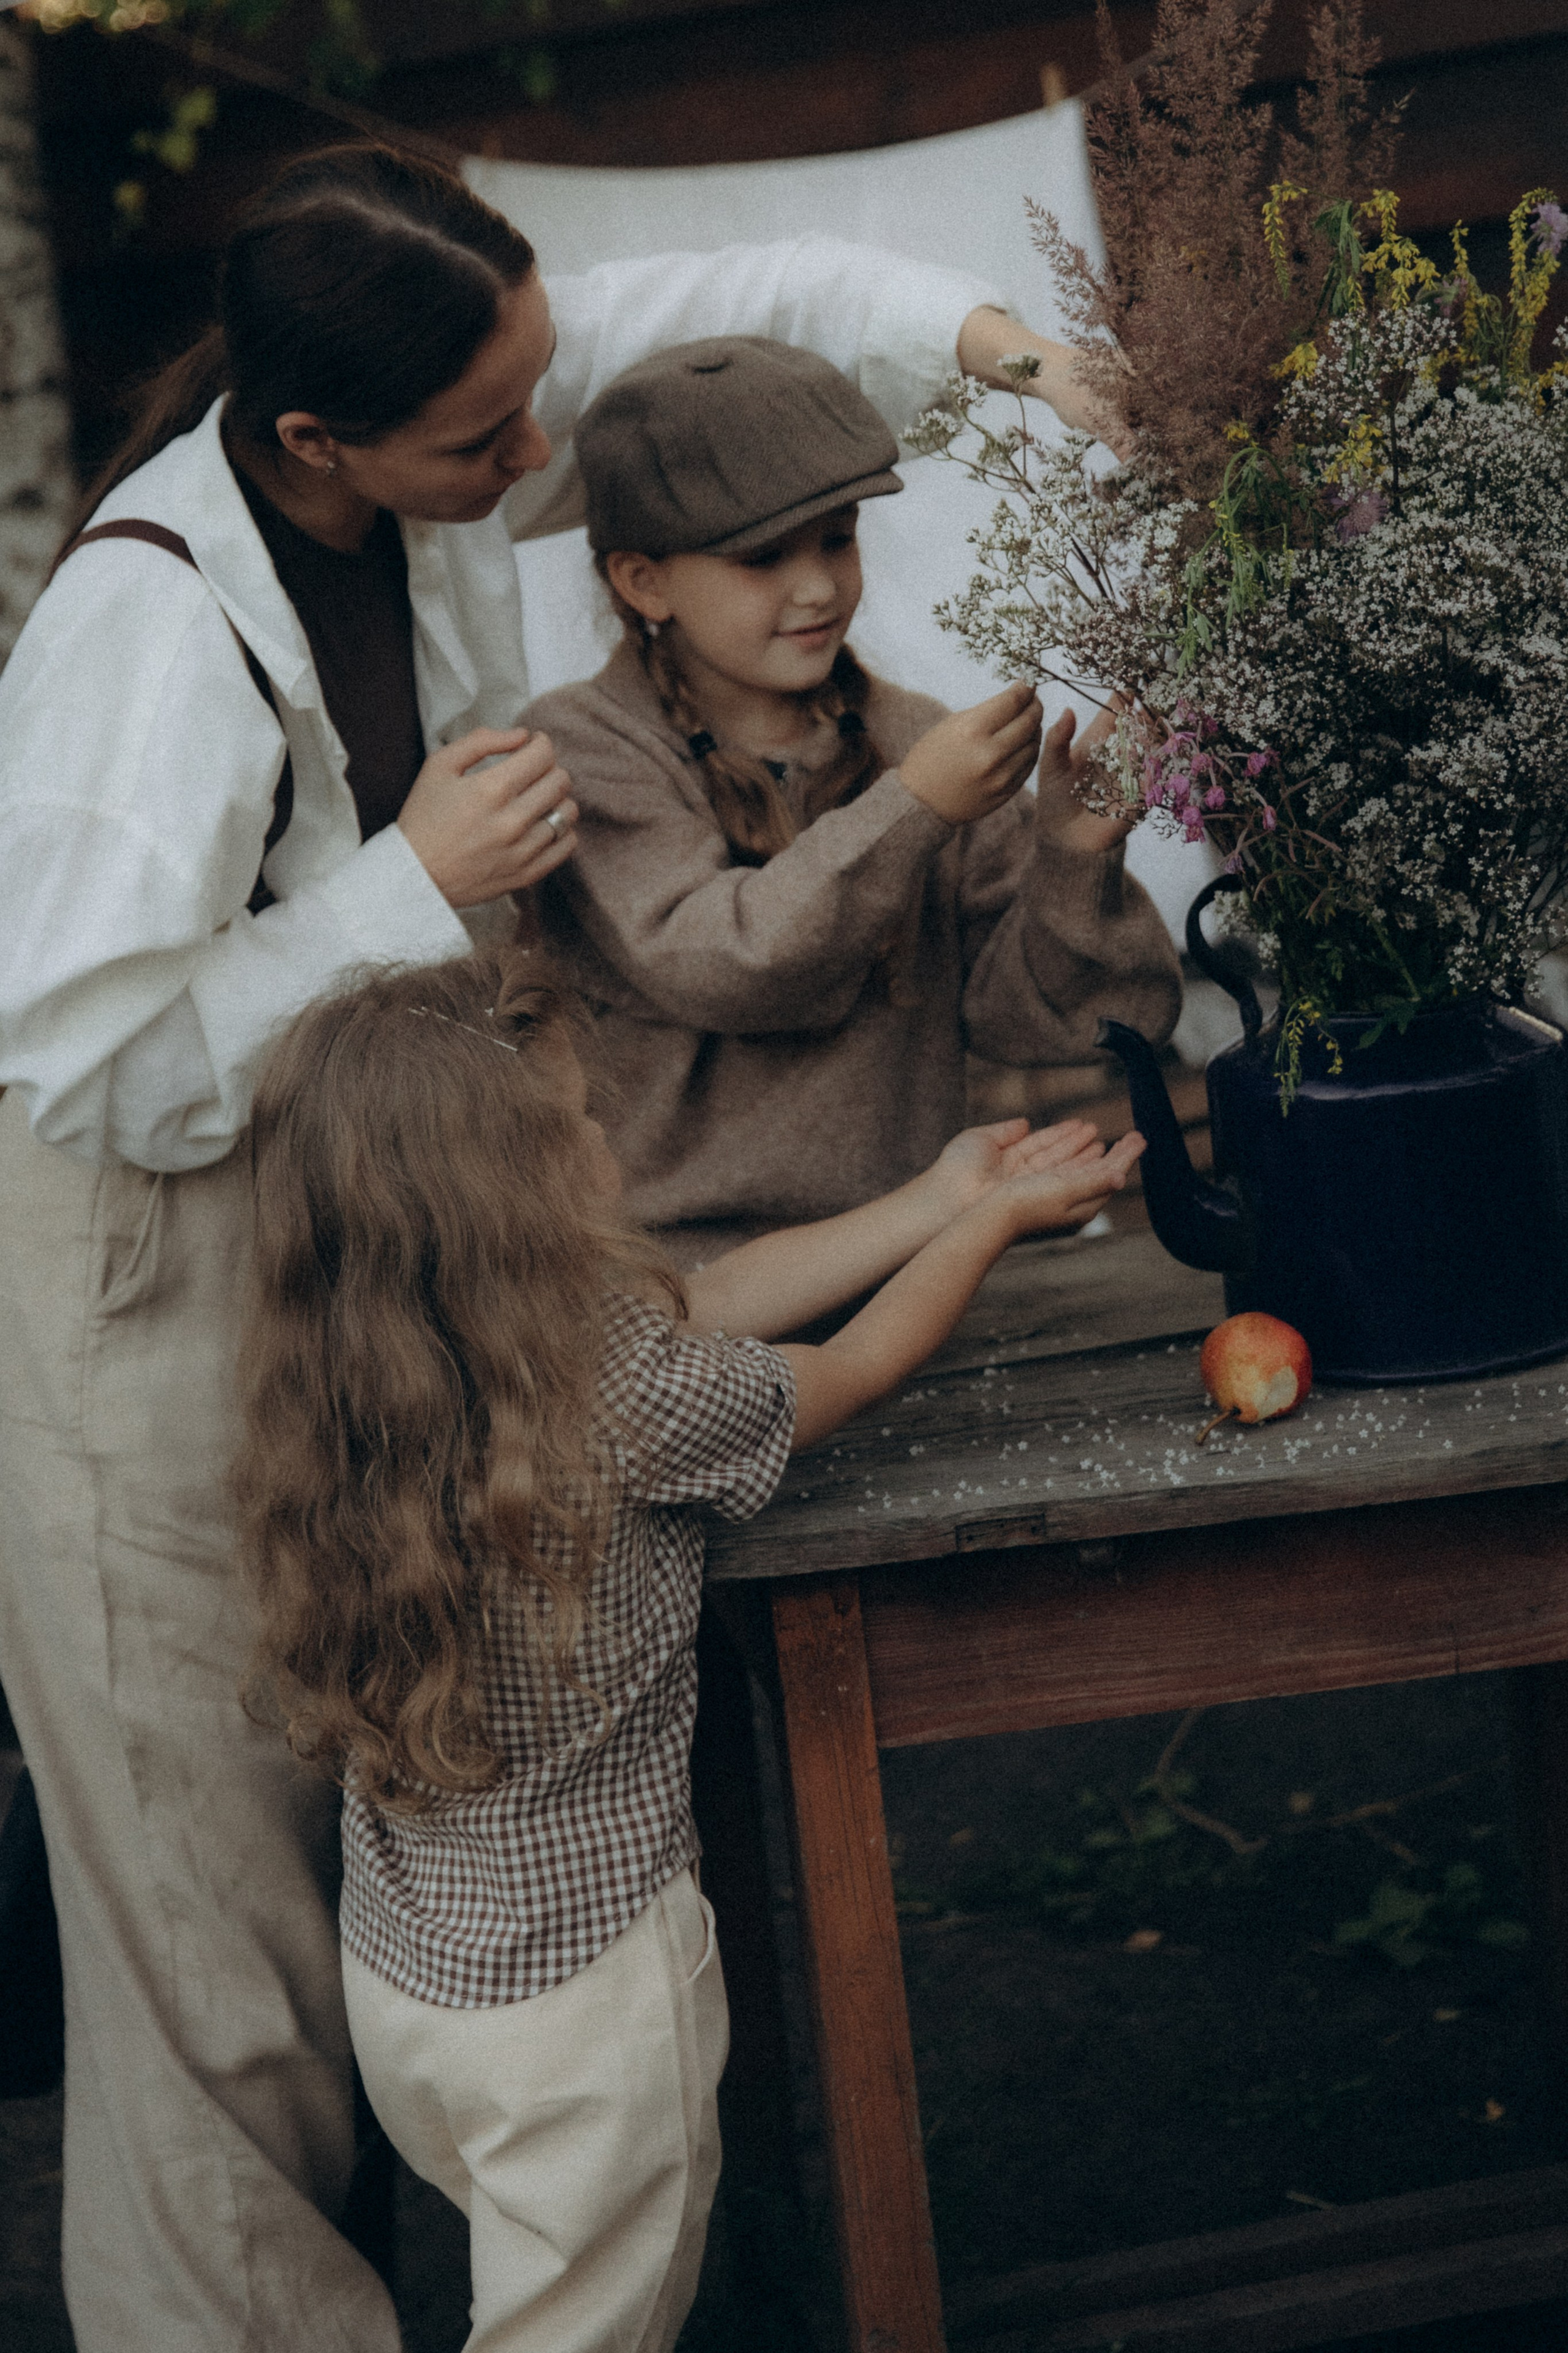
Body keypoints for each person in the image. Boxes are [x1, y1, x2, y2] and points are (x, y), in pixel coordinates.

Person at [0, 139, 1137, 2353]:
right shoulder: (142, 628)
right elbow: (83, 1068)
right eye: (485, 441)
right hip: (137, 1278)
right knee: (218, 1972)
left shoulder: (437, 422)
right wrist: (403, 882)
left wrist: (1015, 354)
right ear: (316, 436)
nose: (534, 459)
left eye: (533, 399)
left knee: (399, 1864)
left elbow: (723, 298)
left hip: (342, 1244)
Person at [234, 948, 1145, 2353]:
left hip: (418, 1995)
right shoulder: (612, 1388)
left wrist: (935, 1192)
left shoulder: (373, 1373)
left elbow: (713, 1301)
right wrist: (995, 1224)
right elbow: (845, 1372)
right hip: (587, 2016)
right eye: (580, 1122)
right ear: (510, 1183)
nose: (608, 1138)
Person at [526, 337, 1181, 1263]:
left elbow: (1064, 1024)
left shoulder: (914, 738)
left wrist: (1074, 857)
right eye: (762, 557)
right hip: (681, 1292)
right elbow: (725, 957)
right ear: (644, 581)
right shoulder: (585, 750)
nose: (820, 586)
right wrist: (915, 807)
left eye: (838, 537)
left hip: (908, 1265)